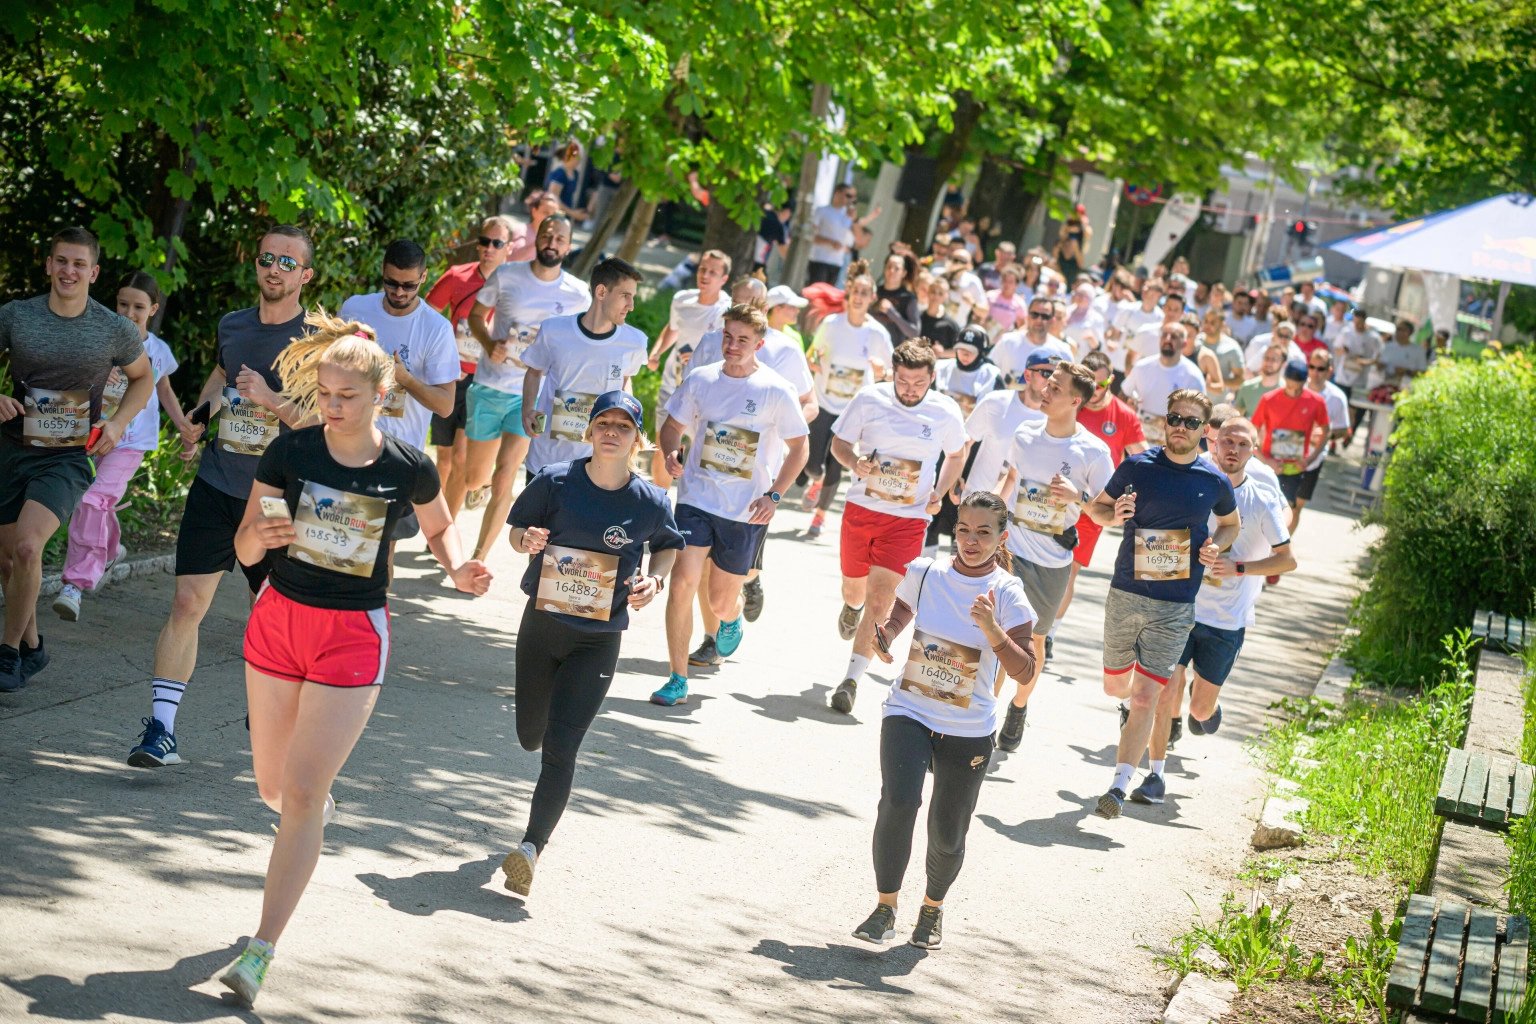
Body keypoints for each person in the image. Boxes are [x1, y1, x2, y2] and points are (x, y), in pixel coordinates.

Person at [215, 315, 491, 1006]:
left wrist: (458, 568)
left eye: (347, 395)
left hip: (351, 636)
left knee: (302, 797)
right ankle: (309, 813)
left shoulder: (406, 466)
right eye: (326, 393)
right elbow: (246, 549)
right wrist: (260, 534)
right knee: (275, 792)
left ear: (380, 395)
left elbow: (438, 524)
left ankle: (260, 950)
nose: (332, 406)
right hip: (279, 622)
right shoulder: (292, 454)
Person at [126, 225, 315, 763]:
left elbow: (325, 422)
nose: (273, 268)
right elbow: (220, 375)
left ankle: (273, 708)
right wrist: (199, 417)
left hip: (278, 496)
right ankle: (161, 732)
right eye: (265, 259)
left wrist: (272, 400)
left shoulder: (318, 341)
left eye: (286, 262)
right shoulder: (232, 325)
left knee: (273, 615)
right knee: (187, 602)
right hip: (217, 483)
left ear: (304, 275)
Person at [500, 391, 682, 893]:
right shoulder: (555, 480)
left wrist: (656, 580)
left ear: (636, 440)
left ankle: (530, 848)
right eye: (603, 422)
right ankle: (532, 829)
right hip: (541, 629)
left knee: (561, 748)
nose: (611, 432)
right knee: (530, 736)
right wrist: (528, 542)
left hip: (598, 642)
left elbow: (667, 547)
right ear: (589, 430)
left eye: (623, 426)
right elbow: (516, 533)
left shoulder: (650, 500)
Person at [850, 492, 1036, 950]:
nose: (971, 541)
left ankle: (931, 909)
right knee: (898, 802)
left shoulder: (1007, 593)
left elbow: (1027, 671)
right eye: (964, 530)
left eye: (984, 532)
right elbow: (902, 612)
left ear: (1002, 537)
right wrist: (887, 634)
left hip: (968, 727)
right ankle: (885, 907)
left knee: (947, 828)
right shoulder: (926, 571)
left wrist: (993, 630)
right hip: (910, 709)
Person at [0, 228, 154, 691]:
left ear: (94, 272)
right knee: (7, 561)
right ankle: (31, 647)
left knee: (29, 547)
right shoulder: (16, 315)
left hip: (65, 456)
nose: (69, 271)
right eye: (61, 261)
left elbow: (142, 379)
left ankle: (6, 654)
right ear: (48, 264)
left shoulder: (113, 328)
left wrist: (118, 423)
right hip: (10, 447)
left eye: (79, 264)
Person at [1082, 388, 1239, 819]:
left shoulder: (1213, 481)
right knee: (1118, 687)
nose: (1181, 428)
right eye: (1175, 418)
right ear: (1164, 422)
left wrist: (1216, 549)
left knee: (1147, 697)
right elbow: (1098, 509)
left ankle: (1117, 787)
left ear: (1204, 431)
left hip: (1176, 605)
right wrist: (1112, 516)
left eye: (1191, 422)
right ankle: (1128, 714)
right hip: (1127, 593)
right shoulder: (1137, 467)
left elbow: (1229, 524)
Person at [650, 305, 810, 705]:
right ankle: (676, 677)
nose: (732, 345)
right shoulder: (701, 380)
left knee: (720, 600)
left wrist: (774, 495)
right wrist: (671, 454)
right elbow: (671, 427)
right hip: (696, 499)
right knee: (683, 583)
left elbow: (799, 447)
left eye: (742, 339)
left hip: (745, 510)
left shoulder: (775, 390)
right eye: (727, 336)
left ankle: (733, 615)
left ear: (759, 344)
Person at [1138, 416, 1294, 783]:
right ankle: (1154, 775)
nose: (1233, 450)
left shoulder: (1262, 497)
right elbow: (1160, 536)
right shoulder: (1194, 484)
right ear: (1212, 442)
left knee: (1200, 709)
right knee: (1165, 692)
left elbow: (1288, 560)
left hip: (1226, 619)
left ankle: (1207, 706)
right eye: (1227, 442)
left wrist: (1236, 567)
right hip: (1180, 607)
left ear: (1253, 452)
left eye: (1242, 444)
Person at [826, 339, 968, 714]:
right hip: (862, 509)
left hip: (909, 519)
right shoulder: (869, 398)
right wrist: (853, 462)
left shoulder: (945, 411)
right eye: (902, 381)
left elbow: (957, 454)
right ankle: (849, 605)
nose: (909, 389)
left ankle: (851, 680)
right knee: (855, 590)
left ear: (932, 377)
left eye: (918, 383)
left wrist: (941, 491)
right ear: (893, 373)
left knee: (881, 598)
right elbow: (839, 442)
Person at [53, 272, 192, 622]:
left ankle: (75, 583)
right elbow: (71, 381)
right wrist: (98, 375)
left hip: (131, 444)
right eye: (123, 304)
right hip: (93, 434)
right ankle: (111, 550)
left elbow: (164, 391)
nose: (129, 312)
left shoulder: (159, 350)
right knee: (99, 502)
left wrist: (184, 429)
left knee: (92, 498)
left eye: (139, 307)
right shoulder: (102, 340)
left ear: (153, 309)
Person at [991, 362, 1114, 751]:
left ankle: (1018, 706)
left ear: (1076, 401)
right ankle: (979, 718)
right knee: (991, 634)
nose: (1045, 390)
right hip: (1009, 548)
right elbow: (1010, 482)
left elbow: (1107, 514)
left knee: (1034, 643)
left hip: (1051, 562)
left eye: (1056, 389)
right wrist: (982, 512)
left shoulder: (1093, 451)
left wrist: (1077, 497)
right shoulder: (1025, 433)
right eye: (1048, 383)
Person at [686, 280, 818, 626]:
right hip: (705, 481)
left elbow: (809, 406)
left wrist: (777, 425)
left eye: (754, 301)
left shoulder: (785, 350)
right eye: (739, 301)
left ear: (765, 307)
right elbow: (689, 402)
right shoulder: (712, 343)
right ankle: (711, 639)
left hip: (755, 484)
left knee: (730, 579)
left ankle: (748, 584)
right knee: (695, 567)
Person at [464, 215, 589, 558]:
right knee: (475, 477)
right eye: (547, 235)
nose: (552, 242)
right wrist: (490, 346)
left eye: (560, 238)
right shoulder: (507, 274)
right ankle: (479, 486)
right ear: (538, 239)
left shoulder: (578, 294)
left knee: (507, 475)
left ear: (568, 245)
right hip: (491, 384)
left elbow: (584, 338)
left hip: (533, 396)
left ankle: (479, 556)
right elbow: (476, 316)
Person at [339, 241, 459, 572]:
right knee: (335, 543)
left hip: (395, 459)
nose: (399, 291)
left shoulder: (435, 329)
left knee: (379, 558)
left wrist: (405, 379)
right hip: (344, 445)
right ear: (382, 271)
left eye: (408, 285)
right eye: (391, 282)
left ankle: (372, 622)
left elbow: (446, 405)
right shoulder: (355, 309)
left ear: (423, 278)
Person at [520, 258, 649, 479]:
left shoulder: (635, 341)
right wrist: (527, 410)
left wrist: (630, 422)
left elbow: (626, 380)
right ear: (601, 292)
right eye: (625, 296)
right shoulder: (554, 330)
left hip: (598, 466)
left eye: (633, 297)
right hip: (546, 459)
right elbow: (534, 370)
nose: (631, 305)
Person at [1051, 350, 1148, 644]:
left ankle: (1049, 635)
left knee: (1068, 571)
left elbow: (1143, 461)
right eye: (1089, 386)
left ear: (1112, 382)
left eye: (1101, 386)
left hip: (1091, 508)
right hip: (1051, 499)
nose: (1093, 394)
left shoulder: (1125, 416)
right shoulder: (1069, 405)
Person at [425, 215, 516, 517]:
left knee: (462, 457)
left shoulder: (516, 286)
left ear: (509, 248)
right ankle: (435, 522)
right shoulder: (456, 277)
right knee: (446, 460)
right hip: (452, 378)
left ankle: (446, 527)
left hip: (487, 382)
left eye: (497, 243)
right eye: (484, 242)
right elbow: (426, 317)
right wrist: (442, 358)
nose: (489, 248)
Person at [802, 261, 893, 539]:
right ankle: (814, 481)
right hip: (826, 400)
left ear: (872, 299)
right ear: (849, 293)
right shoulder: (831, 324)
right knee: (812, 462)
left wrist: (882, 373)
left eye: (865, 293)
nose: (859, 297)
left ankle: (820, 516)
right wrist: (814, 362)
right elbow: (812, 355)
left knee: (838, 462)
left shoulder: (877, 333)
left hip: (854, 409)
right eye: (856, 291)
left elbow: (891, 372)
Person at [646, 250, 731, 489]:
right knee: (663, 447)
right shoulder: (682, 299)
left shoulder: (727, 310)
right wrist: (657, 352)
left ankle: (690, 506)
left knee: (700, 453)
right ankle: (659, 505)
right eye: (703, 269)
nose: (705, 275)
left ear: (724, 279)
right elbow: (673, 327)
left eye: (713, 272)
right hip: (671, 385)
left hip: (705, 394)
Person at [925, 325, 1004, 552]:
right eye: (960, 349)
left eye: (970, 350)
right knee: (932, 504)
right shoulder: (941, 368)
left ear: (982, 351)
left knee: (960, 511)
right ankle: (926, 561)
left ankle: (956, 559)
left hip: (970, 454)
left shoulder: (990, 375)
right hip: (938, 449)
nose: (964, 354)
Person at [1251, 359, 1333, 526]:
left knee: (1289, 508)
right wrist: (1265, 461)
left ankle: (1280, 547)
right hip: (1269, 464)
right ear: (1284, 378)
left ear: (1305, 382)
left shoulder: (1316, 401)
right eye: (1290, 387)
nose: (1294, 392)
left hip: (1295, 467)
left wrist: (1310, 459)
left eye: (1298, 388)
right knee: (1261, 509)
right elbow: (1251, 432)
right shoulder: (1269, 399)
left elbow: (1326, 432)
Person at [1290, 349, 1350, 532]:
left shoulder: (1337, 397)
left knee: (1296, 506)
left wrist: (1326, 434)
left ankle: (1279, 549)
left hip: (1313, 459)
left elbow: (1344, 430)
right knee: (1279, 500)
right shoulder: (1295, 387)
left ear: (1329, 371)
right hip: (1286, 451)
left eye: (1321, 369)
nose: (1315, 372)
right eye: (1312, 367)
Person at [1119, 323, 1206, 445]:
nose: (1168, 339)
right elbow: (1122, 396)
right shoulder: (1142, 367)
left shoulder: (1193, 376)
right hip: (1139, 442)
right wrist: (1128, 406)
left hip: (1173, 446)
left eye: (1174, 337)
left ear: (1184, 343)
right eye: (1164, 335)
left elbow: (1201, 415)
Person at [992, 295, 1073, 389]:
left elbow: (1069, 388)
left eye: (1045, 316)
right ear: (1028, 317)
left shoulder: (1063, 352)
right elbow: (990, 374)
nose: (1039, 319)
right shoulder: (1007, 342)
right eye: (1035, 315)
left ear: (1052, 320)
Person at [1331, 308, 1381, 441]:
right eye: (1356, 322)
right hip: (1343, 377)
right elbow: (1335, 350)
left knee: (1353, 410)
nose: (1358, 326)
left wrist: (1364, 361)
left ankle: (1348, 433)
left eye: (1360, 323)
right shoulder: (1346, 332)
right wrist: (1343, 351)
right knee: (1340, 407)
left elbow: (1377, 358)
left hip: (1359, 380)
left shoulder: (1372, 337)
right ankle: (1334, 439)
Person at [807, 184, 869, 286]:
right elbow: (811, 236)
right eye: (848, 196)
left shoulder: (849, 216)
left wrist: (854, 220)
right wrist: (830, 242)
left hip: (837, 262)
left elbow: (859, 240)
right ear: (837, 193)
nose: (851, 200)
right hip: (819, 259)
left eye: (854, 197)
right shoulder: (822, 211)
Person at [872, 251, 921, 341]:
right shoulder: (874, 292)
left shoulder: (908, 298)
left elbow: (914, 332)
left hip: (891, 351)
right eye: (889, 267)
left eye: (897, 268)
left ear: (904, 273)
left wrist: (892, 312)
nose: (892, 271)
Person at [1234, 344, 1285, 417]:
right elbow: (1237, 417)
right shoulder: (1247, 387)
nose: (1269, 363)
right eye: (1266, 358)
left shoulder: (1287, 390)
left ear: (1283, 364)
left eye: (1274, 360)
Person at [546, 142, 591, 220]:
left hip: (564, 217)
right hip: (554, 216)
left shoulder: (575, 174)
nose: (579, 159)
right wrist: (572, 213)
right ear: (567, 157)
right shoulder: (559, 174)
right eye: (576, 156)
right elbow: (553, 198)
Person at [1062, 282, 1107, 359]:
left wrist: (1091, 338)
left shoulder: (1096, 318)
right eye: (1078, 294)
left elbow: (1099, 347)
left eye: (1083, 295)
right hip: (1063, 353)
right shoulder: (1067, 311)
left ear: (1090, 298)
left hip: (1080, 358)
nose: (1079, 297)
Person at [918, 273, 961, 354]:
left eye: (940, 293)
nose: (936, 296)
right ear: (928, 292)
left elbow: (959, 351)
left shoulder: (950, 324)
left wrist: (943, 352)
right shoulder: (917, 318)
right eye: (933, 292)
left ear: (946, 296)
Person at [1379, 319, 1428, 385]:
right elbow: (1380, 365)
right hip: (1387, 382)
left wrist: (1406, 371)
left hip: (1407, 385)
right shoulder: (1389, 346)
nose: (1397, 332)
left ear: (1408, 332)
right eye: (1397, 329)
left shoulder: (1418, 350)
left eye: (1400, 329)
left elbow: (1422, 372)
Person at [1053, 205, 1091, 283]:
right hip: (1063, 259)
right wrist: (1069, 229)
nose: (1077, 216)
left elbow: (1088, 235)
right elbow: (1061, 234)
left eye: (1080, 214)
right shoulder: (1068, 225)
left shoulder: (1084, 229)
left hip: (1075, 257)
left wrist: (1082, 226)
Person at [766, 285, 808, 349]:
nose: (797, 310)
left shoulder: (794, 338)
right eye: (792, 306)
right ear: (777, 309)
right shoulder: (755, 333)